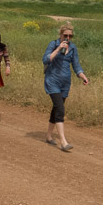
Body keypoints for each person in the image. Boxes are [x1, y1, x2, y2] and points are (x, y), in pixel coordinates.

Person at [42, 23, 89, 152]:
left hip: (65, 83)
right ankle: (63, 141)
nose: (67, 38)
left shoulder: (73, 48)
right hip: (52, 80)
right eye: (65, 35)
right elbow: (45, 60)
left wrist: (83, 76)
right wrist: (58, 49)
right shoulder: (53, 44)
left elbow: (76, 66)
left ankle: (49, 135)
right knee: (60, 109)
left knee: (57, 107)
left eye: (70, 36)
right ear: (61, 34)